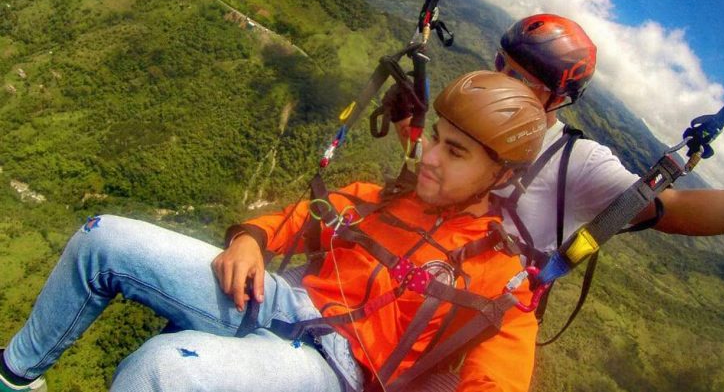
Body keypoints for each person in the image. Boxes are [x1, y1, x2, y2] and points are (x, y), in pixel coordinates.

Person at [1, 71, 548, 392]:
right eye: (435, 139)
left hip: (334, 370)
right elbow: (298, 219)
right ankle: (14, 377)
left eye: (454, 153)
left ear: (500, 174)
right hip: (282, 302)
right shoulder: (383, 200)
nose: (429, 159)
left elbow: (493, 381)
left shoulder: (499, 282)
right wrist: (249, 240)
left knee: (163, 370)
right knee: (104, 239)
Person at [385, 13, 724, 260]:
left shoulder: (576, 162)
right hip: (410, 256)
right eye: (502, 64)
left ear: (559, 99)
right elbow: (442, 169)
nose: (502, 81)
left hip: (464, 309)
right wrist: (406, 121)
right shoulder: (478, 111)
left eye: (520, 79)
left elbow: (673, 208)